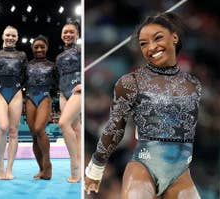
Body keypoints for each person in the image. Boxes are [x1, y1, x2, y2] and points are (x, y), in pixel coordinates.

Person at [85, 12, 202, 198]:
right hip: (144, 167)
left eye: (157, 38)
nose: (151, 47)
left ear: (174, 37)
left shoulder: (193, 84)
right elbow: (115, 128)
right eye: (144, 43)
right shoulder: (131, 82)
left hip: (181, 173)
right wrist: (96, 167)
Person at [0, 25, 27, 180]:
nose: (10, 38)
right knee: (3, 127)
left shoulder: (22, 54)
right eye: (8, 35)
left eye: (13, 35)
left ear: (17, 38)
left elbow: (25, 74)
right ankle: (0, 164)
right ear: (3, 36)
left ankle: (9, 168)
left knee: (14, 131)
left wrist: (19, 87)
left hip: (16, 92)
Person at [25, 35, 54, 180]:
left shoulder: (52, 65)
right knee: (33, 135)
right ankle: (42, 169)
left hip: (44, 96)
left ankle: (48, 165)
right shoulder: (27, 65)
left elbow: (60, 81)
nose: (39, 49)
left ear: (47, 48)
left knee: (39, 129)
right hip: (30, 97)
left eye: (42, 46)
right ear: (32, 49)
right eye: (36, 47)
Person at [56, 21, 81, 183]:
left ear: (77, 34)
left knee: (63, 124)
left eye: (71, 32)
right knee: (75, 129)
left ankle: (75, 166)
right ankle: (79, 165)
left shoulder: (81, 49)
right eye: (65, 32)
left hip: (77, 89)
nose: (68, 35)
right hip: (63, 93)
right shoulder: (59, 56)